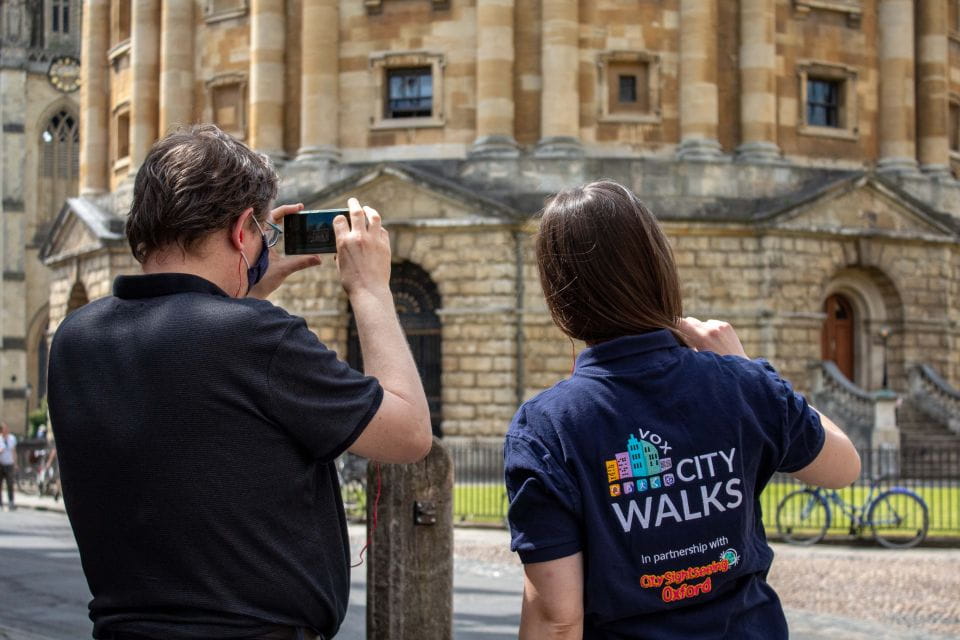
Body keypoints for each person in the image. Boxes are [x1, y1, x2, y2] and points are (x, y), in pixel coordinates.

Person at [46, 125, 432, 640]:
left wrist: (245, 284)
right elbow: (407, 433)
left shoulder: (76, 337)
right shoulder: (256, 337)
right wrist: (369, 288)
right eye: (260, 236)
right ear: (241, 228)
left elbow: (191, 369)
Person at [503, 181, 861, 639]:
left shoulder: (547, 426)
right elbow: (844, 465)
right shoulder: (742, 385)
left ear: (560, 294)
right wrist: (747, 368)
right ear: (658, 269)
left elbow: (558, 620)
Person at [0, 422, 16, 510]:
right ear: (1, 430)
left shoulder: (12, 438)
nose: (6, 430)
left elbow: (14, 451)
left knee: (10, 484)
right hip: (0, 464)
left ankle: (11, 502)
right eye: (4, 429)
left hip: (9, 464)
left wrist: (15, 463)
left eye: (7, 429)